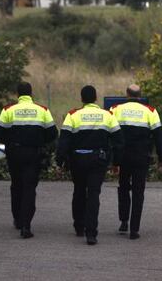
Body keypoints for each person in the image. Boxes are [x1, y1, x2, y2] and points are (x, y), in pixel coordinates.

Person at [56, 85, 123, 245]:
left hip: (77, 160)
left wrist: (61, 161)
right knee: (93, 194)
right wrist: (116, 162)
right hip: (98, 161)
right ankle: (91, 233)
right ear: (95, 98)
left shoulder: (73, 115)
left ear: (82, 99)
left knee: (78, 191)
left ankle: (79, 226)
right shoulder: (107, 115)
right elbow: (119, 141)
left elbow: (64, 140)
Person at [0, 82, 58, 239]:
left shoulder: (8, 110)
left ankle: (17, 218)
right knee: (29, 188)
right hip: (33, 153)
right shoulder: (42, 110)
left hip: (14, 152)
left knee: (16, 185)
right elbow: (52, 134)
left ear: (18, 94)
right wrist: (40, 140)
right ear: (31, 94)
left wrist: (10, 142)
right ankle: (26, 226)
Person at [110, 84, 162, 240]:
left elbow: (109, 134)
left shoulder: (115, 109)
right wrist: (161, 159)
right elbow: (159, 137)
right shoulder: (151, 111)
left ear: (127, 94)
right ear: (140, 95)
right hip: (141, 158)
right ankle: (134, 230)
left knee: (123, 188)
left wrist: (113, 161)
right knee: (138, 192)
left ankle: (123, 221)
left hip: (123, 158)